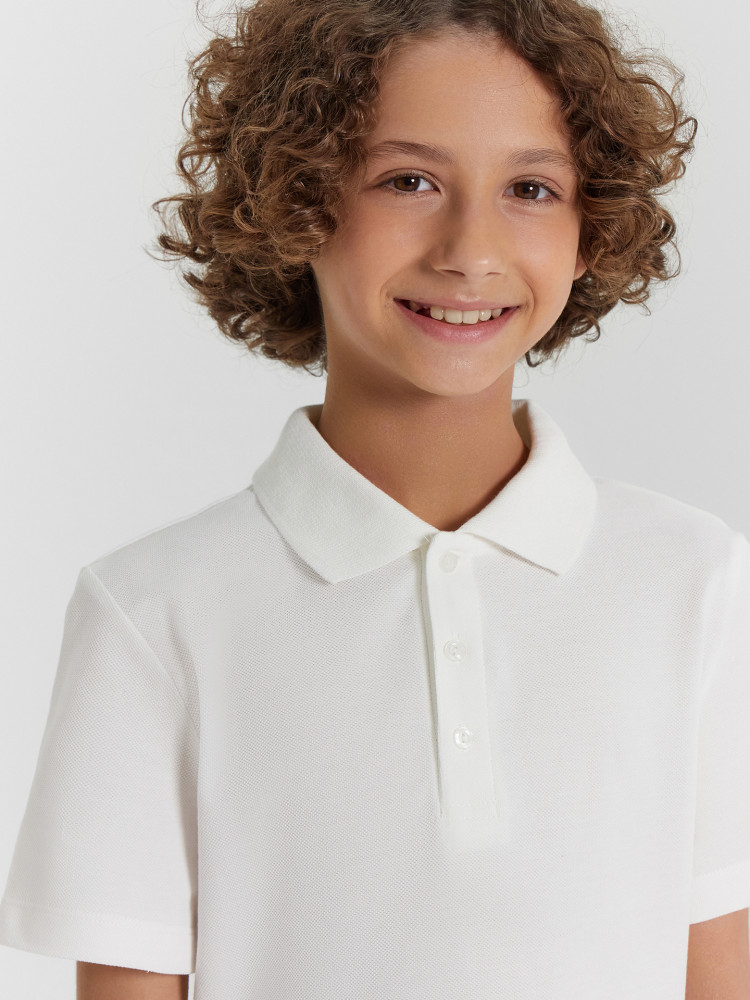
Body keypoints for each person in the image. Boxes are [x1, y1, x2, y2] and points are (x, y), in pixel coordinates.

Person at [2, 0, 749, 998]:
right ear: (297, 200)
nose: (470, 247)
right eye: (410, 181)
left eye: (530, 188)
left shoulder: (698, 584)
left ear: (588, 231)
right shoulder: (153, 616)